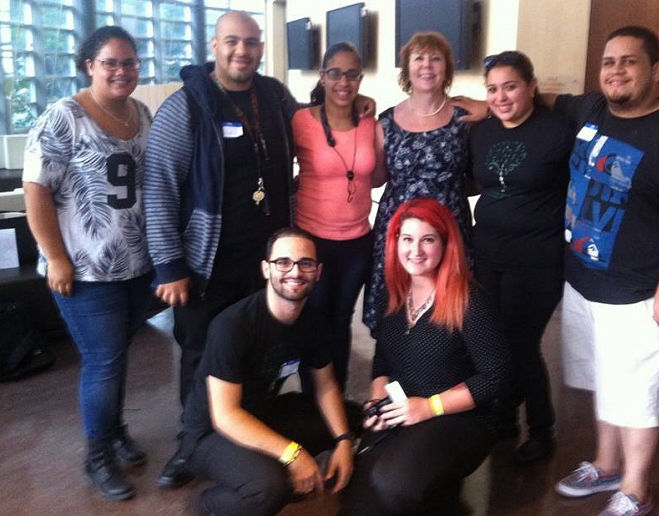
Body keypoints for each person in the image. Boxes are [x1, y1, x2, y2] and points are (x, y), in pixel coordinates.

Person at [144, 12, 373, 487]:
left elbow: (317, 113)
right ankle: (194, 446)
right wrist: (169, 265)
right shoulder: (183, 108)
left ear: (261, 47)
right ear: (214, 44)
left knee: (260, 349)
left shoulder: (273, 97)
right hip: (207, 261)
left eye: (251, 42)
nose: (241, 51)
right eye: (232, 42)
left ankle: (251, 433)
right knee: (201, 351)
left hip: (269, 262)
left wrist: (355, 102)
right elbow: (158, 188)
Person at [547, 27, 659, 516]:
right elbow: (549, 98)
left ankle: (637, 488)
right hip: (582, 281)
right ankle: (606, 462)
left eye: (630, 62)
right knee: (604, 380)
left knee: (636, 393)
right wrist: (479, 102)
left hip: (636, 293)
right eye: (608, 62)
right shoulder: (592, 108)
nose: (616, 71)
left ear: (655, 70)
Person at [23, 26, 153, 500]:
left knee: (117, 358)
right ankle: (97, 454)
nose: (122, 71)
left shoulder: (141, 113)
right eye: (111, 62)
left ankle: (115, 430)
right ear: (89, 66)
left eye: (130, 62)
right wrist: (55, 256)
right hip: (84, 269)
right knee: (103, 362)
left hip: (136, 264)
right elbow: (35, 189)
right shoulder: (64, 117)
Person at [342, 198, 510, 515]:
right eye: (407, 239)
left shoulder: (469, 300)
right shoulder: (395, 294)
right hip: (405, 410)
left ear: (446, 244)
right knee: (357, 500)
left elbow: (496, 377)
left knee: (394, 483)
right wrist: (378, 400)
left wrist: (430, 407)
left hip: (460, 418)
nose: (415, 250)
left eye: (427, 239)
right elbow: (382, 361)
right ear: (395, 243)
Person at [179, 227, 355, 516]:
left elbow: (326, 387)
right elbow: (225, 415)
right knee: (270, 489)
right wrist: (292, 454)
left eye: (305, 263)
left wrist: (344, 441)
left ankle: (274, 468)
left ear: (318, 272)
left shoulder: (314, 322)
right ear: (266, 269)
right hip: (209, 431)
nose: (295, 272)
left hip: (264, 412)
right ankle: (207, 504)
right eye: (283, 262)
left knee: (352, 417)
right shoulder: (232, 326)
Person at [469, 51, 574, 463]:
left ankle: (542, 429)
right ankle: (504, 416)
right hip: (488, 253)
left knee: (520, 342)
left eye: (510, 86)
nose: (501, 97)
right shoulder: (481, 132)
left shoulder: (558, 131)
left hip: (538, 259)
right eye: (492, 89)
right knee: (494, 339)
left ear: (532, 86)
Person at [362, 31, 473, 336]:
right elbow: (378, 177)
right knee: (396, 308)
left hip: (448, 227)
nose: (427, 66)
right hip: (398, 230)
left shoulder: (465, 118)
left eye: (436, 58)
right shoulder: (384, 121)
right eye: (419, 58)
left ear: (447, 69)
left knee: (447, 312)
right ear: (407, 68)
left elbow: (477, 176)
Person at [293, 42, 381, 391]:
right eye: (335, 73)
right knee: (313, 320)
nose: (343, 81)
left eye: (351, 74)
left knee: (341, 321)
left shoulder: (370, 122)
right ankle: (310, 399)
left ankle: (336, 395)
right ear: (322, 76)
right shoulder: (301, 120)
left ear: (360, 78)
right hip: (312, 240)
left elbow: (379, 176)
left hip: (357, 242)